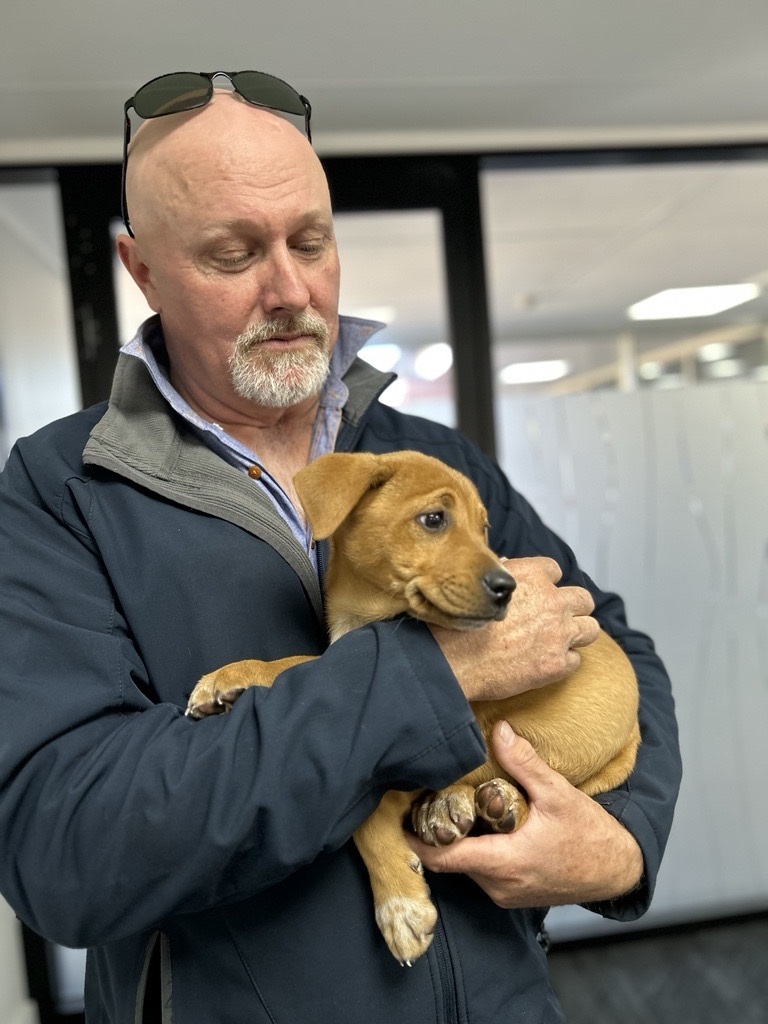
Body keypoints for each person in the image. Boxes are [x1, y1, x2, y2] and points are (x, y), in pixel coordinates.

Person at [0, 72, 681, 1024]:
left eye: (311, 242)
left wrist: (622, 840)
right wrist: (425, 679)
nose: (290, 290)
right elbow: (67, 846)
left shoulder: (428, 456)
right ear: (142, 268)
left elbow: (610, 639)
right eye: (232, 253)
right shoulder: (63, 491)